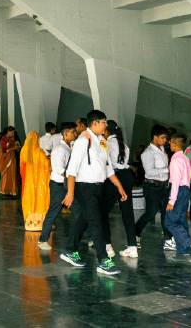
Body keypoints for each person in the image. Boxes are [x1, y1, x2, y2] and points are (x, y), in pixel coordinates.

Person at [60, 109, 126, 277]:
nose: (106, 125)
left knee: (85, 219)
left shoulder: (102, 141)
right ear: (95, 123)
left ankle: (69, 249)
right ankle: (103, 261)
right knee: (96, 221)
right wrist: (70, 193)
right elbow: (72, 170)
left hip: (98, 187)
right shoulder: (83, 141)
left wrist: (119, 187)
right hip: (84, 187)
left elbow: (109, 168)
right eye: (104, 122)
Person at [38, 121, 77, 249]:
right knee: (53, 212)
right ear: (66, 134)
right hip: (60, 186)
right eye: (73, 132)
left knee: (78, 210)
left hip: (67, 184)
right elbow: (61, 171)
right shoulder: (60, 149)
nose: (75, 134)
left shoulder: (67, 147)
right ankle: (43, 240)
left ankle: (89, 238)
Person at [165, 133, 191, 261]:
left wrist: (171, 200)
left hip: (178, 190)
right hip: (186, 190)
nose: (169, 145)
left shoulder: (175, 160)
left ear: (174, 144)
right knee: (181, 220)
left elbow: (175, 181)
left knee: (169, 222)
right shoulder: (185, 158)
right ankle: (183, 251)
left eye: (170, 143)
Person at [106, 120, 138, 259]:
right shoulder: (123, 144)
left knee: (102, 211)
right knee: (128, 213)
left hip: (115, 177)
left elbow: (107, 165)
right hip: (127, 177)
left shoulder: (107, 144)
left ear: (106, 130)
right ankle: (132, 247)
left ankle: (107, 246)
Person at [135, 124, 170, 243]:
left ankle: (168, 238)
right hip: (152, 186)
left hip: (164, 185)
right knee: (151, 213)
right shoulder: (148, 153)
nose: (165, 140)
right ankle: (135, 232)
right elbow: (149, 172)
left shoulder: (162, 149)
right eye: (163, 137)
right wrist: (167, 170)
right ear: (155, 137)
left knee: (166, 212)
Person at [20, 130, 51, 232]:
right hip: (39, 182)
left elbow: (22, 168)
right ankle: (40, 224)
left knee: (29, 200)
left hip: (28, 183)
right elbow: (47, 165)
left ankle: (29, 224)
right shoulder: (39, 152)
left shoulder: (23, 151)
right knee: (40, 200)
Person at [0, 128, 21, 198]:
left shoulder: (12, 139)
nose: (13, 134)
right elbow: (3, 150)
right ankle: (5, 191)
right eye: (12, 133)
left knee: (12, 174)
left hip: (12, 158)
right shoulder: (3, 139)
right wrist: (14, 148)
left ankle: (11, 191)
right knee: (6, 175)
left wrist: (16, 148)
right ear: (8, 132)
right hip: (5, 159)